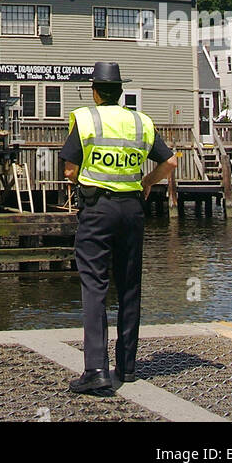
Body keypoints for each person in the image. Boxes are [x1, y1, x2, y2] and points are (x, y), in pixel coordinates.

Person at [61, 61, 177, 397]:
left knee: (95, 286)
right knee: (129, 286)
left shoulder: (85, 119)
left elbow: (70, 170)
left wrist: (86, 180)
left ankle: (96, 371)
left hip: (97, 210)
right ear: (121, 91)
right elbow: (170, 162)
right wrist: (146, 183)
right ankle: (127, 367)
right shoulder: (141, 122)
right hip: (132, 211)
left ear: (95, 91)